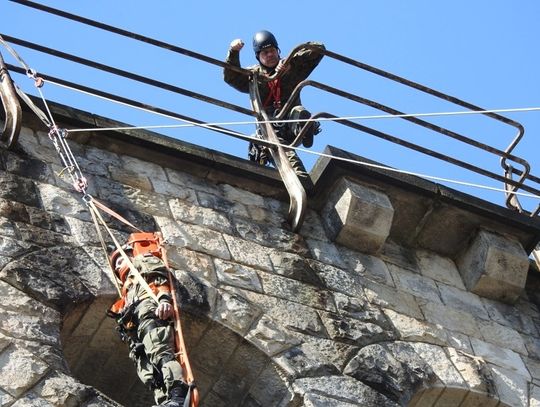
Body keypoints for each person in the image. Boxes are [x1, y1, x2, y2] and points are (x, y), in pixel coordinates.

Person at [223, 30, 325, 185]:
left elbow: (318, 48)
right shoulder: (254, 76)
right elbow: (231, 77)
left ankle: (305, 130)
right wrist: (233, 52)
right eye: (265, 53)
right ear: (258, 56)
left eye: (272, 51)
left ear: (278, 51)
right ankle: (301, 179)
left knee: (299, 113)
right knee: (280, 149)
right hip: (272, 129)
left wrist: (290, 62)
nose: (270, 55)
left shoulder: (292, 67)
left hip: (292, 119)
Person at [107, 235, 188, 407]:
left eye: (120, 259)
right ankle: (165, 401)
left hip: (146, 309)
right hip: (134, 325)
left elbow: (158, 277)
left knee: (159, 349)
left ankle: (178, 392)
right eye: (116, 264)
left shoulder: (141, 262)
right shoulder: (126, 289)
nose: (118, 265)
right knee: (148, 369)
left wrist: (164, 300)